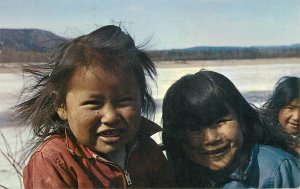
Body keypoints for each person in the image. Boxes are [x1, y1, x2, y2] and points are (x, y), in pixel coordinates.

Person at [16, 25, 176, 188]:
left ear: (141, 99)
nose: (111, 116)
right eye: (94, 104)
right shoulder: (54, 161)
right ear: (61, 105)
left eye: (123, 101)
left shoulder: (146, 150)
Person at [162, 70, 300, 188]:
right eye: (194, 129)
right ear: (177, 135)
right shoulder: (175, 176)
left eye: (220, 122)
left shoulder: (277, 169)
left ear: (242, 120)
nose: (211, 139)